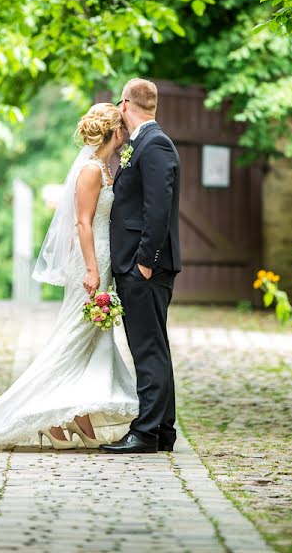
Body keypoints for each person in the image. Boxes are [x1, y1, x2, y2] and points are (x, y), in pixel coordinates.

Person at [0, 103, 138, 452]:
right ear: (113, 133)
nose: (125, 134)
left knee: (93, 338)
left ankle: (77, 415)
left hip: (104, 259)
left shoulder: (106, 169)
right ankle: (49, 417)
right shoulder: (91, 171)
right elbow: (82, 222)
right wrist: (93, 269)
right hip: (92, 262)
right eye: (122, 129)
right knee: (74, 337)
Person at [100, 78, 181, 454]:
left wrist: (144, 264)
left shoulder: (155, 144)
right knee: (154, 347)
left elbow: (158, 210)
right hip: (141, 265)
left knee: (147, 348)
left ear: (124, 104)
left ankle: (146, 431)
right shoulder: (141, 144)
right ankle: (162, 428)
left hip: (144, 266)